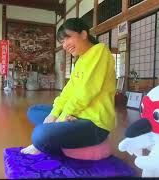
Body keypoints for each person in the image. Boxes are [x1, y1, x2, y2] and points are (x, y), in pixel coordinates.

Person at [21, 18, 116, 155]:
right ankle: (64, 128)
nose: (64, 45)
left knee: (40, 135)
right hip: (77, 115)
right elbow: (68, 91)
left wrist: (62, 117)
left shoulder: (99, 51)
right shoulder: (80, 60)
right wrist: (55, 113)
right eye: (62, 42)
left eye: (67, 38)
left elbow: (86, 92)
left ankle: (56, 134)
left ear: (83, 34)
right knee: (34, 110)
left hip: (95, 123)